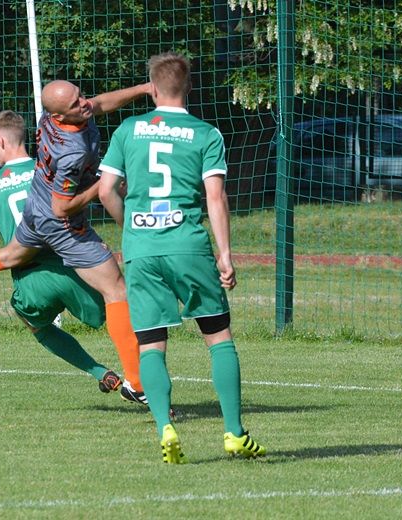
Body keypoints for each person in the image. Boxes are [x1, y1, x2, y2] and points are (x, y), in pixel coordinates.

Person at [0, 80, 152, 403]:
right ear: (59, 114)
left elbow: (98, 104)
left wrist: (142, 89)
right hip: (59, 222)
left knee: (8, 255)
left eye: (80, 96)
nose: (84, 104)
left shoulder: (50, 119)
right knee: (116, 291)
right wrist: (101, 187)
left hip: (35, 212)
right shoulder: (72, 151)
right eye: (75, 104)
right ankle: (137, 383)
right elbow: (63, 207)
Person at [97, 51, 267, 463]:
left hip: (142, 249)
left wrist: (132, 227)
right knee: (218, 337)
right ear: (188, 87)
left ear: (152, 88)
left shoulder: (128, 130)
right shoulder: (206, 134)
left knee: (151, 344)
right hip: (188, 246)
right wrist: (225, 254)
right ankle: (233, 433)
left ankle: (164, 427)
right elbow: (215, 197)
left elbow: (105, 191)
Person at [0, 109, 124, 397]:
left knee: (33, 322)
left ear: (1, 141)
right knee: (119, 308)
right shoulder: (50, 170)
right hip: (77, 265)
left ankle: (98, 371)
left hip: (32, 280)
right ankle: (140, 380)